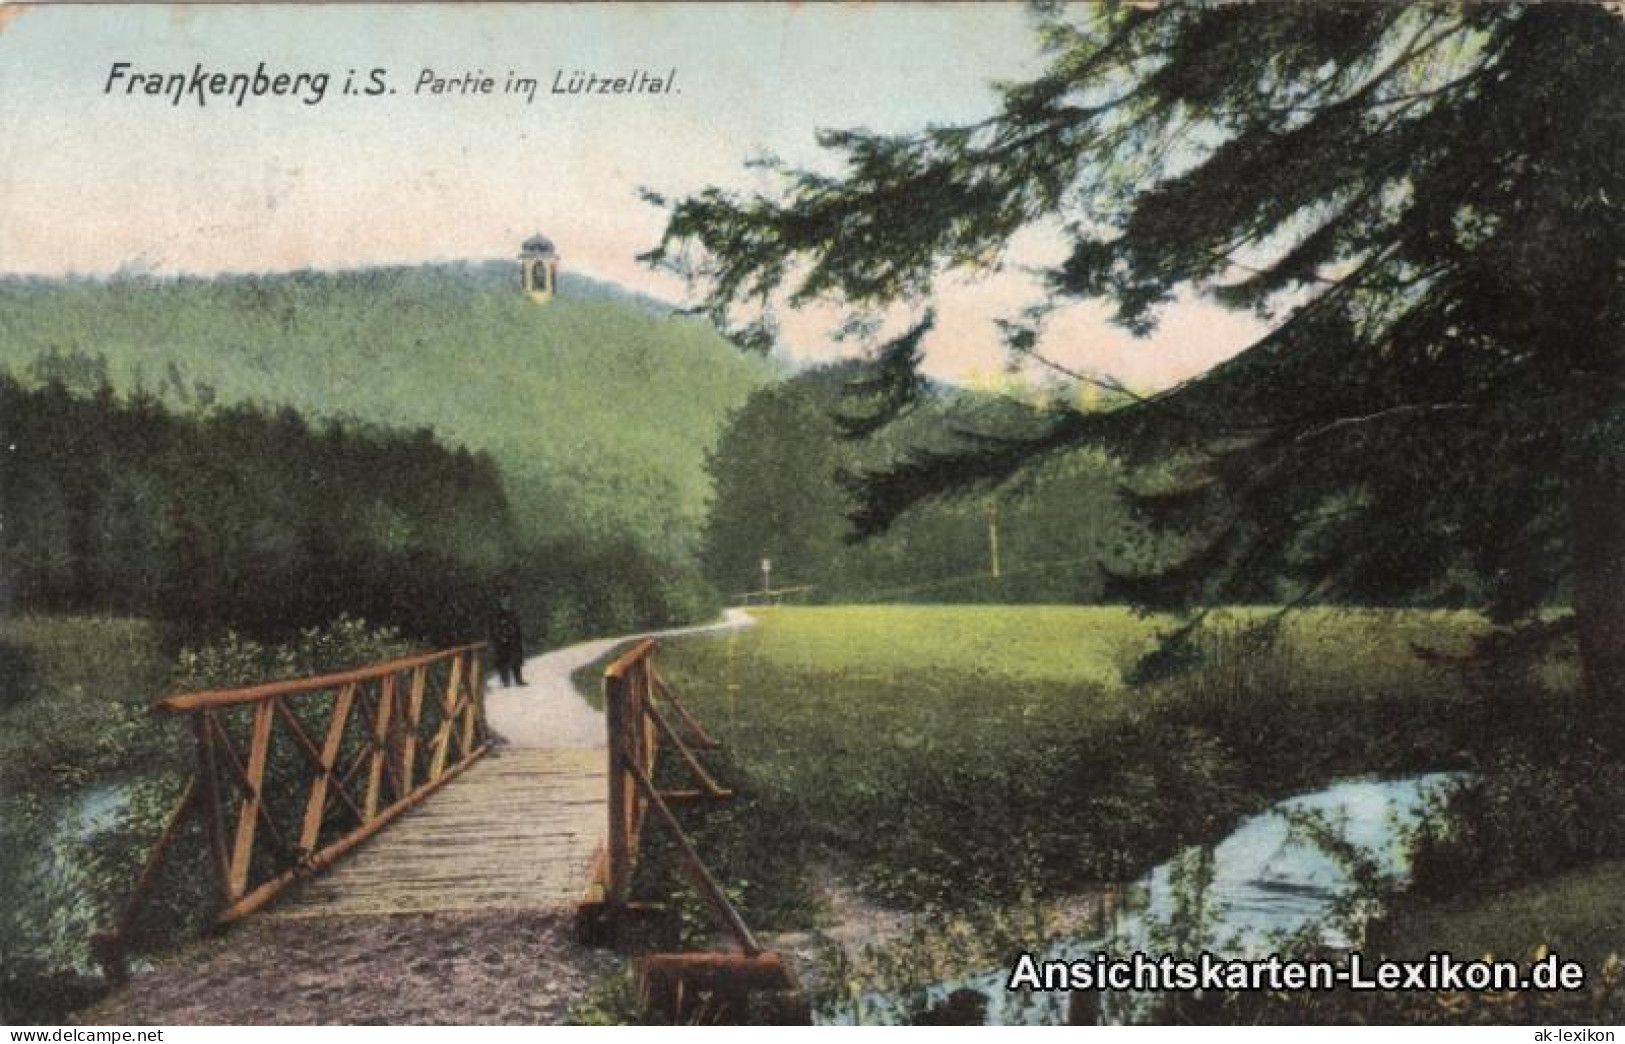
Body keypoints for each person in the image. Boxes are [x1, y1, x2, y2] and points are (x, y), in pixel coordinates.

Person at [488, 595, 526, 687]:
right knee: (503, 661)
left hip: (513, 640)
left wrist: (520, 638)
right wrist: (501, 637)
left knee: (516, 660)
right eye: (504, 602)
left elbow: (517, 627)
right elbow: (494, 629)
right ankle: (505, 681)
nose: (506, 604)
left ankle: (518, 679)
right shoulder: (496, 615)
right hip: (502, 643)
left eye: (508, 602)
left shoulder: (513, 613)